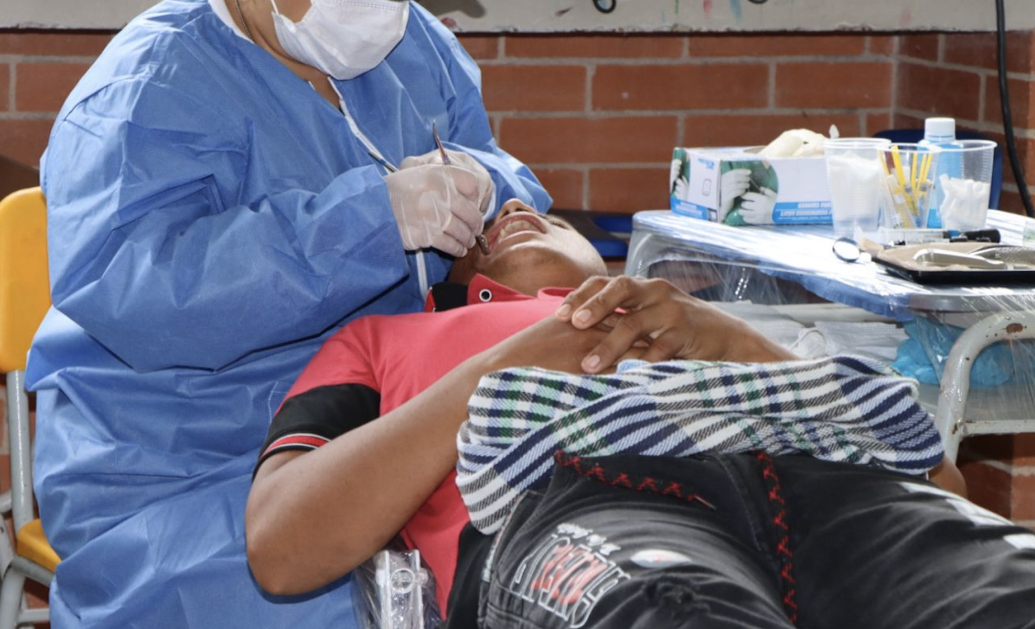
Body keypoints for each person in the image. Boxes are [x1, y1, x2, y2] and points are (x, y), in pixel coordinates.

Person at [25, 0, 550, 624]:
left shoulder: (417, 49)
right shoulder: (149, 93)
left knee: (552, 564)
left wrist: (490, 182)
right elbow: (143, 301)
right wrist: (368, 220)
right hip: (184, 459)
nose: (386, 9)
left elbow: (499, 173)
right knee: (367, 606)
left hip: (379, 424)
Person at [247, 200, 1035, 629]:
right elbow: (281, 547)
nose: (516, 206)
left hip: (818, 475)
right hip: (581, 497)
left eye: (548, 212)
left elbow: (940, 485)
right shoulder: (382, 339)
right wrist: (512, 362)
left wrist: (727, 337)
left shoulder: (682, 315)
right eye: (488, 227)